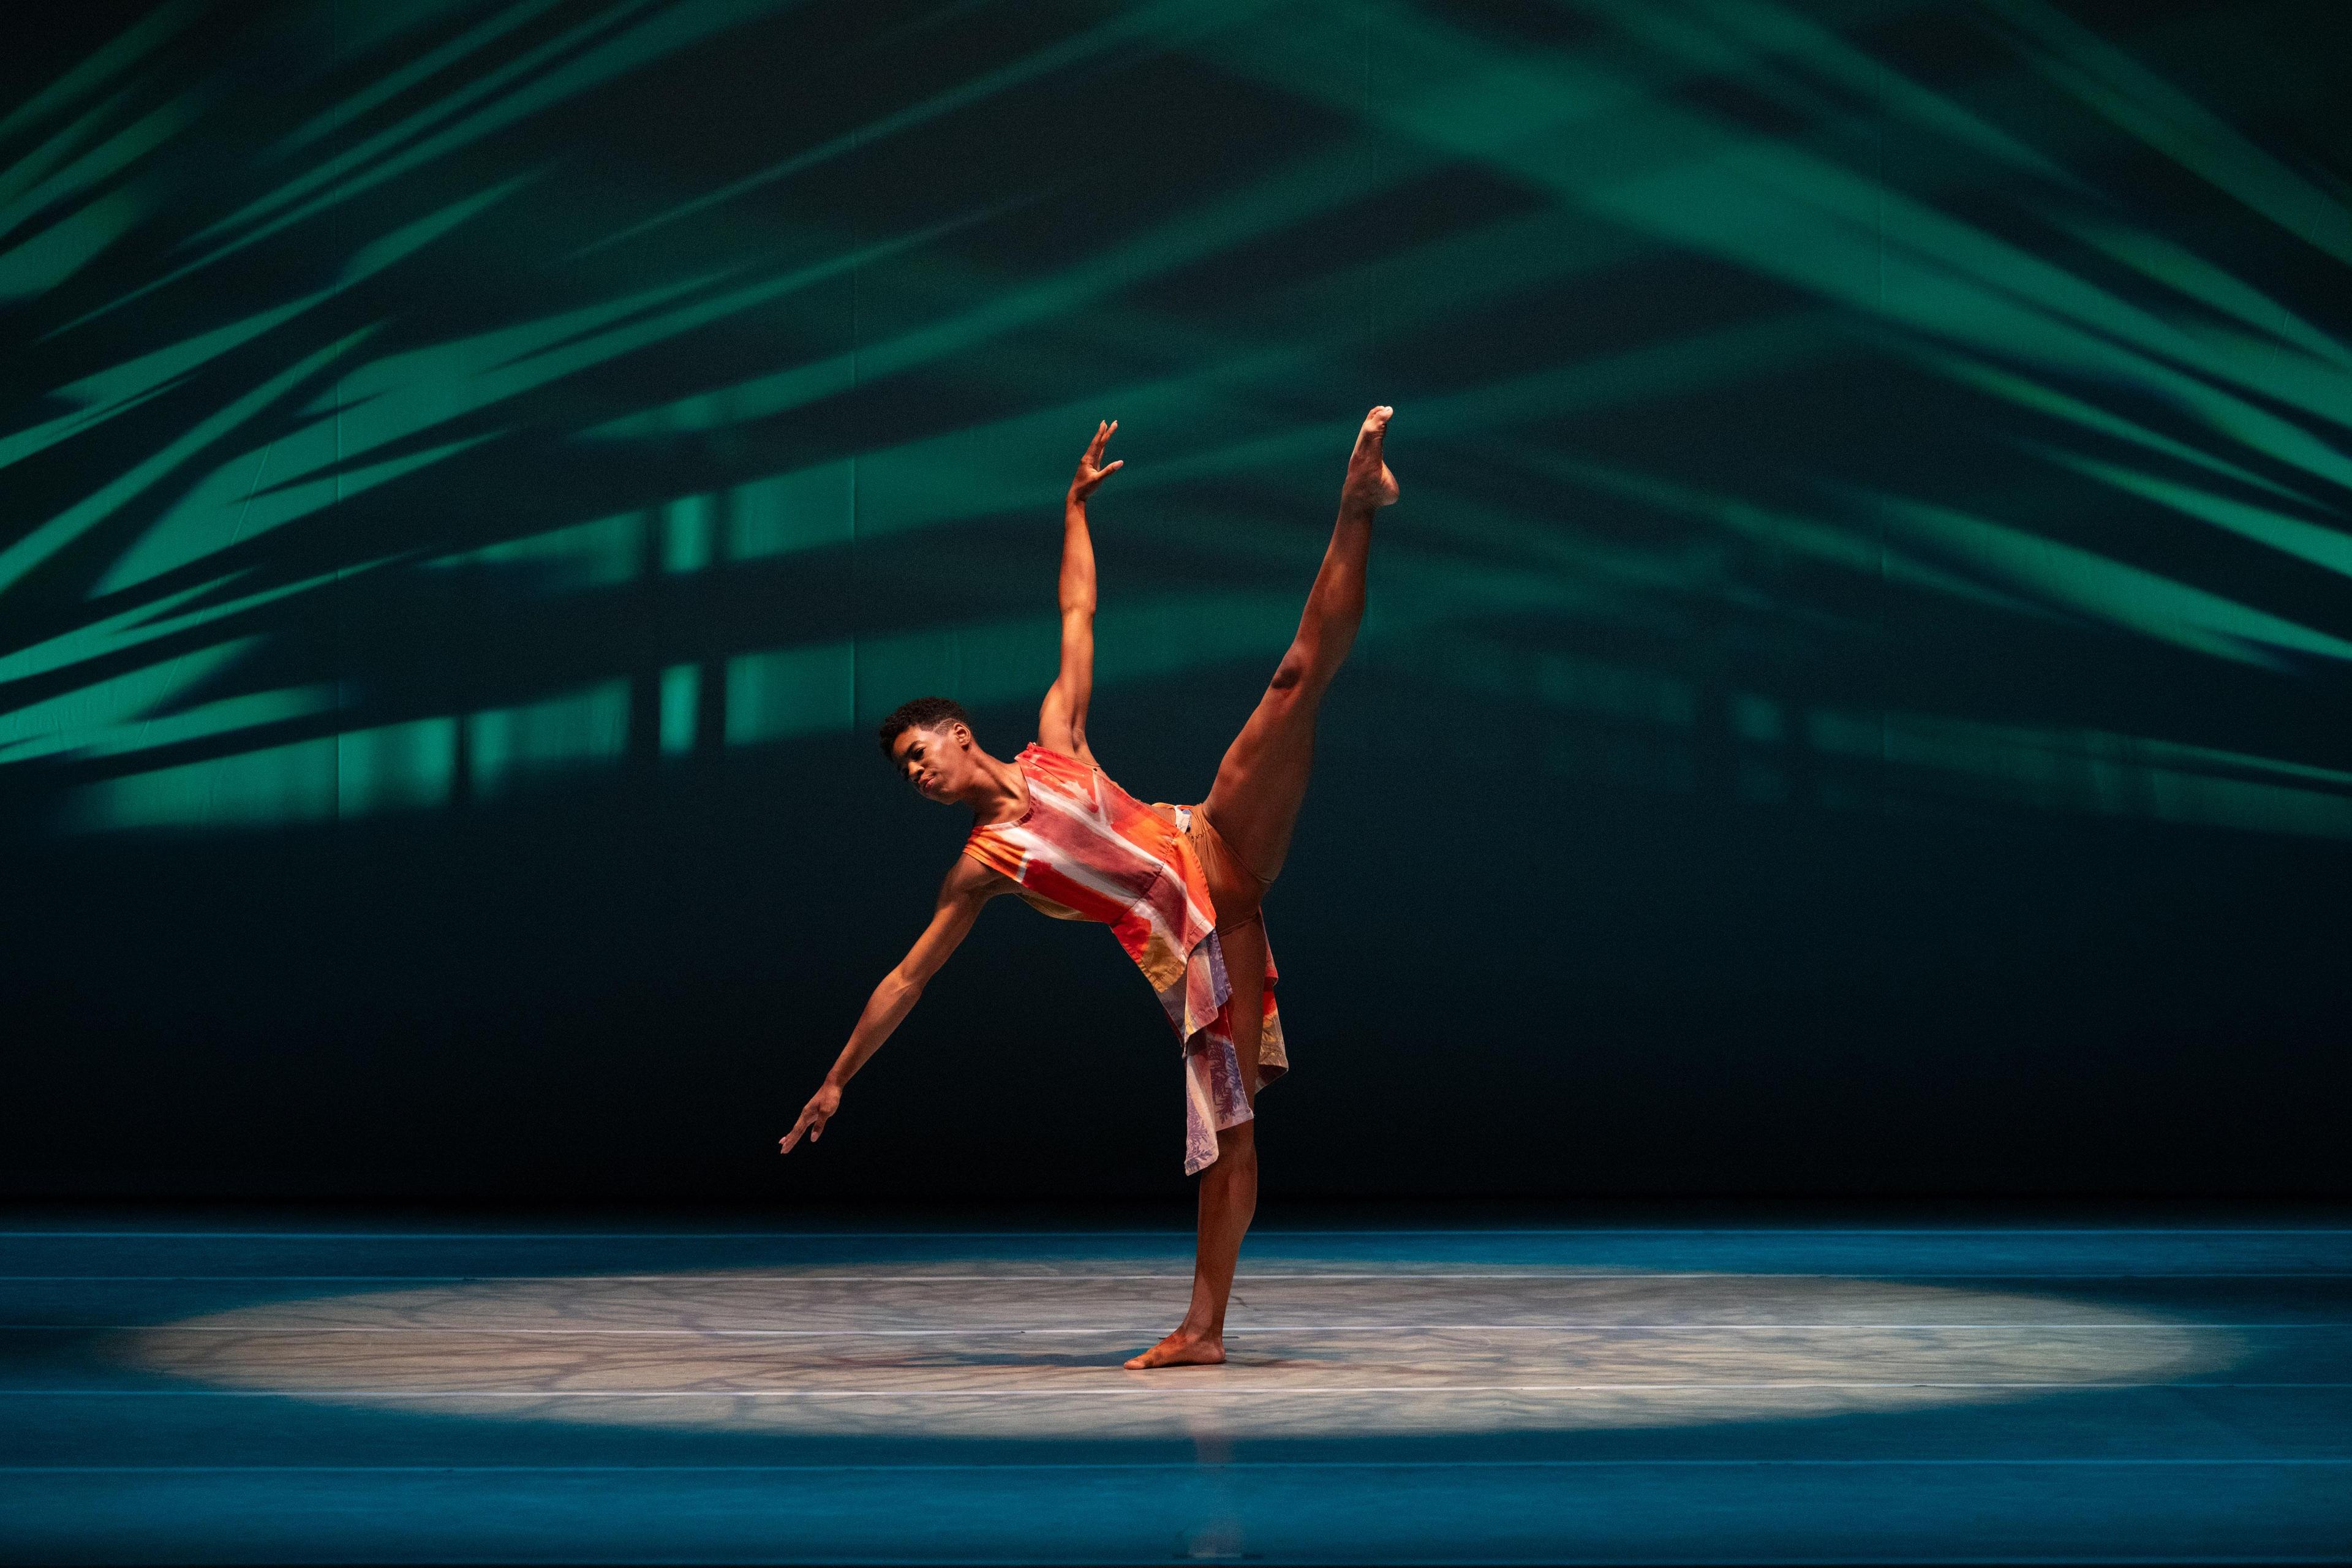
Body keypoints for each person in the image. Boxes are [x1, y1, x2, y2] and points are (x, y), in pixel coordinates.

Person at [780, 407, 1399, 1368]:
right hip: (1202, 940)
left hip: (1215, 839)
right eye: (905, 771)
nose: (917, 775)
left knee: (1293, 679)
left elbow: (1078, 612)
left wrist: (1073, 507)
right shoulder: (983, 868)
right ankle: (1205, 1331)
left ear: (957, 734)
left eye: (918, 754)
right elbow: (908, 979)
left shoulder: (1056, 740)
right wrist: (835, 1078)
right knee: (1228, 1135)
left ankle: (1358, 503)